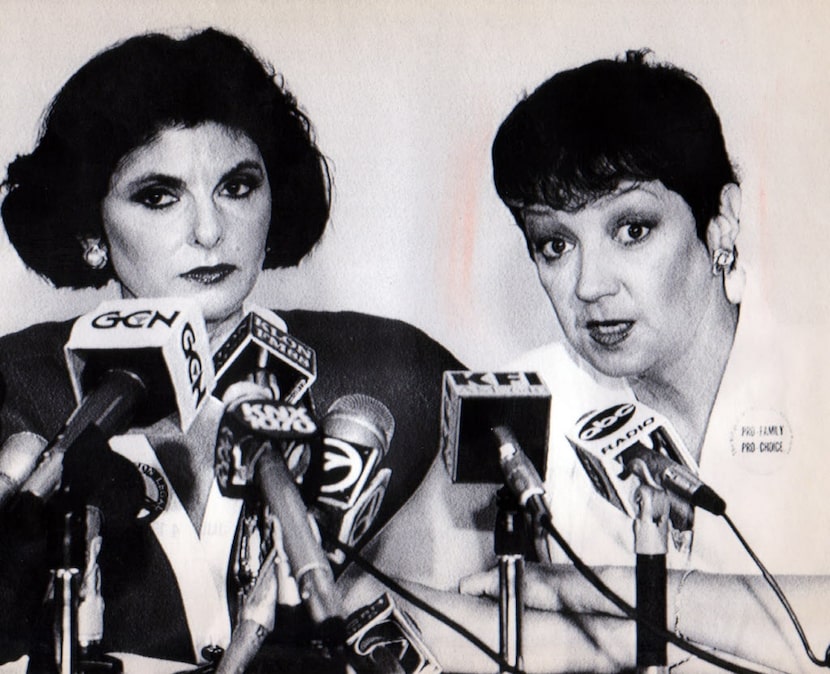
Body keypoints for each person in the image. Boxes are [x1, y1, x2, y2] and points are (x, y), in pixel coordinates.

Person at [348, 52, 830, 673]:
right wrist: (618, 642)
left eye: (632, 230)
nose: (589, 285)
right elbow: (371, 610)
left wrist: (584, 596)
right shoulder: (526, 398)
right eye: (555, 244)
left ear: (722, 221)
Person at [0, 28, 462, 672]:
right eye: (159, 196)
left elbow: (489, 609)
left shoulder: (389, 370)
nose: (211, 231)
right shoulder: (16, 388)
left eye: (237, 186)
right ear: (90, 235)